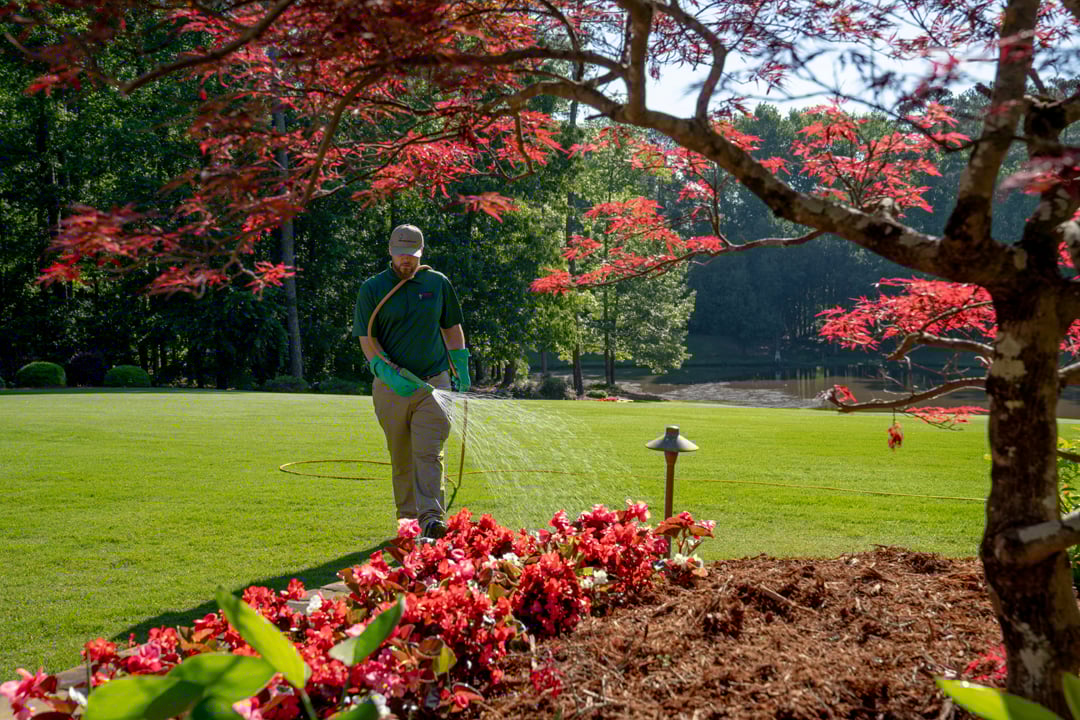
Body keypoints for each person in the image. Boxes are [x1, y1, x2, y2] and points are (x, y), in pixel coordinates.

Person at [352, 224, 471, 540]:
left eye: (412, 255)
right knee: (402, 456)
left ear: (421, 252)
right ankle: (408, 522)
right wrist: (382, 369)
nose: (406, 260)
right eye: (401, 254)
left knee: (428, 453)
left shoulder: (437, 283)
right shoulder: (373, 289)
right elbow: (367, 338)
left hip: (434, 383)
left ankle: (431, 520)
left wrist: (460, 363)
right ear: (391, 252)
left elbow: (451, 328)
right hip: (392, 388)